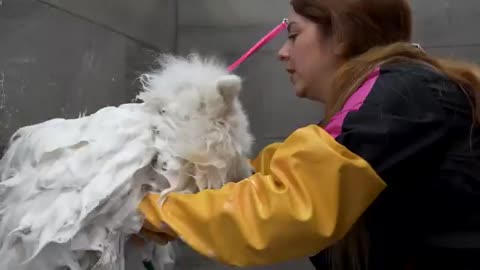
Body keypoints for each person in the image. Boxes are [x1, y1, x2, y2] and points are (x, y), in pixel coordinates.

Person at [138, 0, 480, 269]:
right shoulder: (393, 95)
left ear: (343, 32)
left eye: (293, 34)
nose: (282, 52)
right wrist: (203, 170)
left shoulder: (399, 98)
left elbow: (286, 206)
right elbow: (280, 177)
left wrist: (148, 210)